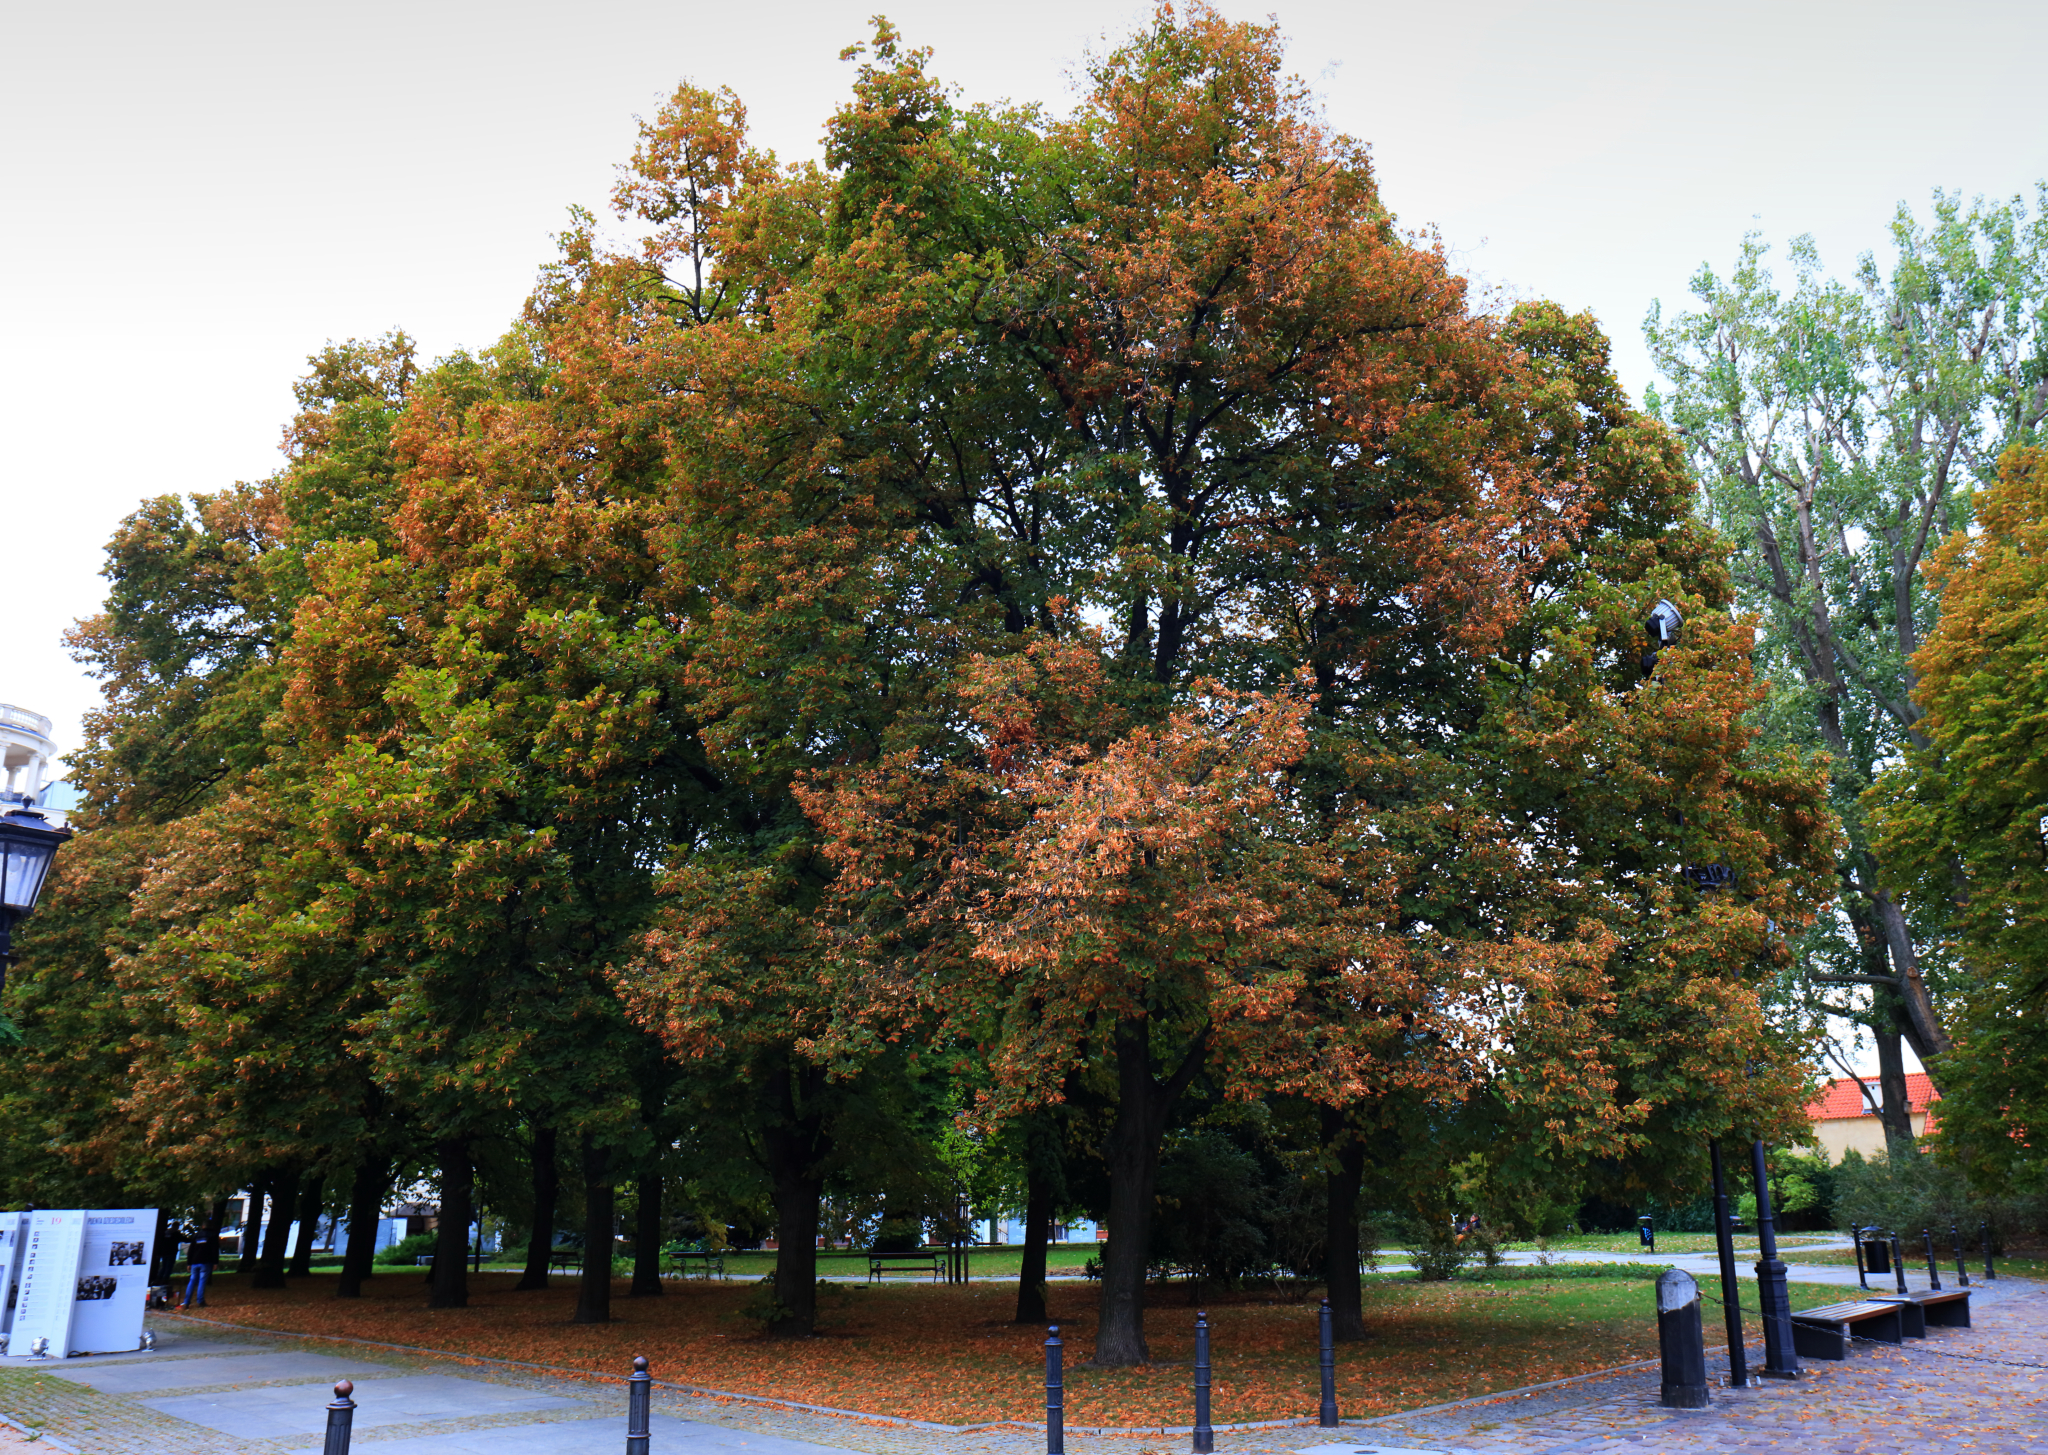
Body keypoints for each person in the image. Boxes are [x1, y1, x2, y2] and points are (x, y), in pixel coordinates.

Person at [181, 1230, 217, 1308]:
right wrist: (215, 1262)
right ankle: (200, 1301)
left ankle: (186, 1302)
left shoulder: (196, 1235)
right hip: (205, 1261)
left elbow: (191, 1250)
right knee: (202, 1281)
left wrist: (189, 1263)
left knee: (192, 1281)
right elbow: (214, 1249)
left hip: (195, 1261)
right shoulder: (211, 1235)